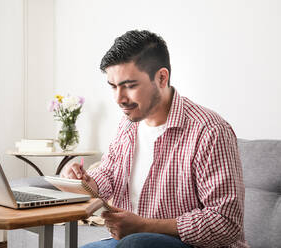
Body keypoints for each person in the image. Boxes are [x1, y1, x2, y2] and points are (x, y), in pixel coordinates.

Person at [61, 30, 248, 248]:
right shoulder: (128, 123)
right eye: (113, 86)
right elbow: (109, 175)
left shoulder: (210, 131)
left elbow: (225, 223)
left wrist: (144, 226)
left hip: (194, 246)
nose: (119, 98)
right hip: (132, 242)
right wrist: (84, 182)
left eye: (130, 86)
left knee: (136, 243)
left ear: (161, 78)